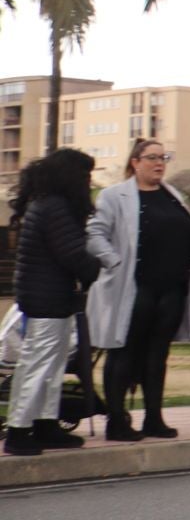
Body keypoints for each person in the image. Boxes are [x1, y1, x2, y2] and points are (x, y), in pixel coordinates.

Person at [87, 139, 190, 442]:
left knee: (157, 356)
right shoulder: (115, 195)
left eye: (163, 157)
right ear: (135, 162)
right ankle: (117, 420)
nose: (159, 163)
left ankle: (153, 418)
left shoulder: (173, 195)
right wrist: (114, 261)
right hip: (134, 289)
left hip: (171, 290)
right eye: (151, 157)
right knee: (123, 353)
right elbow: (95, 234)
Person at [6, 149, 113, 455]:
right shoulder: (54, 207)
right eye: (84, 175)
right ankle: (18, 430)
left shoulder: (47, 203)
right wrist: (96, 267)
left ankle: (45, 424)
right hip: (47, 298)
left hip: (51, 296)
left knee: (52, 365)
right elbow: (72, 254)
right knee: (38, 365)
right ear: (70, 176)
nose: (88, 181)